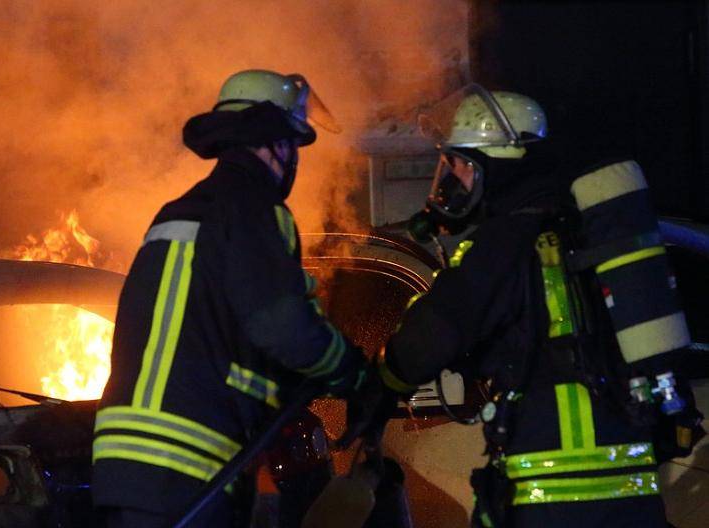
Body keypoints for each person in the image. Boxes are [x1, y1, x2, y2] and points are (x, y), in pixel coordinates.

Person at [376, 84, 683, 527]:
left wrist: (379, 383)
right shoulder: (580, 231)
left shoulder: (504, 241)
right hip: (631, 489)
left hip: (553, 491)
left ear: (492, 164)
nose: (453, 179)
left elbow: (433, 333)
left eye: (460, 165)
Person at [91, 69, 366, 528]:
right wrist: (351, 371)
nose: (293, 159)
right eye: (291, 144)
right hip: (188, 460)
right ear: (274, 142)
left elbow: (219, 328)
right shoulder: (254, 209)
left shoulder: (179, 212)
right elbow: (283, 326)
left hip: (123, 463)